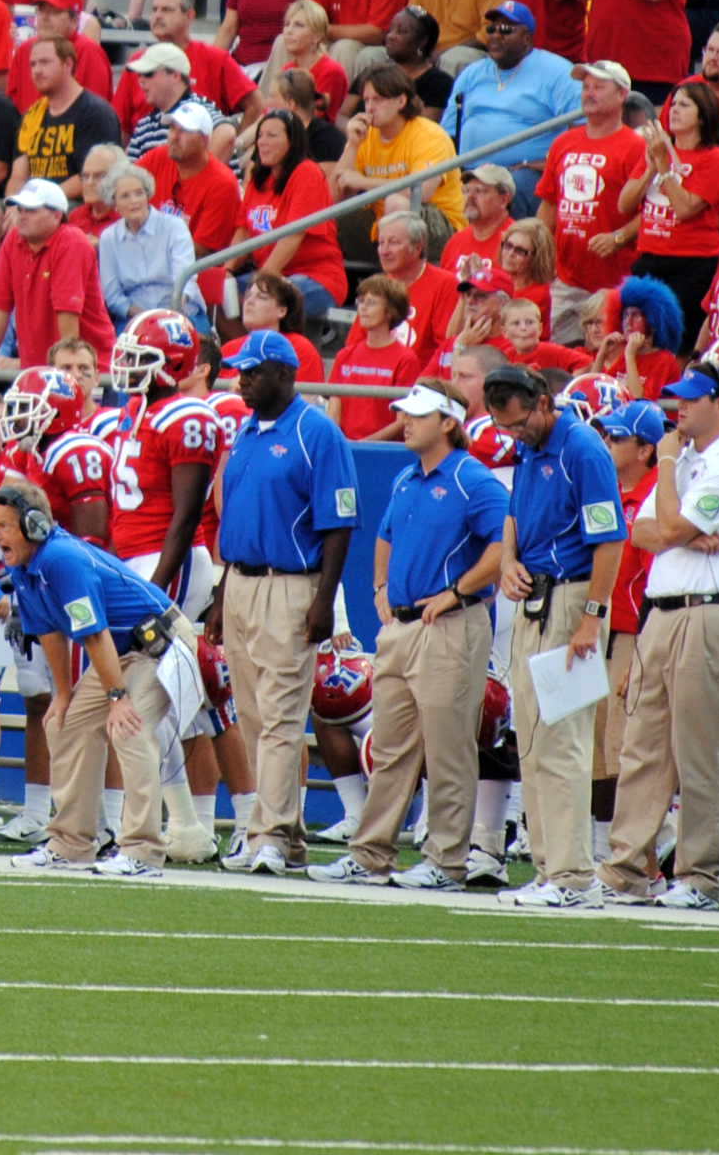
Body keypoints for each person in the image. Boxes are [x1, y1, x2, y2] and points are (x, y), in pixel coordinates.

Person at [323, 382, 504, 890]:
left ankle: (446, 861)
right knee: (390, 748)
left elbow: (504, 543)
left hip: (449, 626)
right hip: (402, 626)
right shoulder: (407, 477)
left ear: (449, 422)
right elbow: (384, 536)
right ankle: (371, 854)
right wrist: (380, 588)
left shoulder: (473, 479)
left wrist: (458, 591)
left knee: (448, 750)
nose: (406, 422)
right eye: (406, 413)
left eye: (419, 415)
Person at [594, 361, 719, 908]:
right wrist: (684, 534)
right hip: (663, 610)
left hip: (708, 610)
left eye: (691, 398)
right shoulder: (687, 461)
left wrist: (667, 474)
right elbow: (642, 532)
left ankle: (700, 874)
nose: (679, 407)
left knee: (699, 749)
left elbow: (665, 527)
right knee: (642, 745)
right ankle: (626, 868)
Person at [0, 477, 192, 879]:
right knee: (65, 724)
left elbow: (94, 634)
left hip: (160, 643)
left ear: (34, 525)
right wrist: (63, 695)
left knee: (129, 730)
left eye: (3, 527)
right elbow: (51, 633)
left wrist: (118, 697)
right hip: (121, 652)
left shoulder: (62, 559)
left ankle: (142, 850)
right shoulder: (28, 568)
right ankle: (71, 842)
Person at [482, 363, 625, 907]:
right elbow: (514, 515)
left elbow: (609, 538)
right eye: (505, 427)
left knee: (563, 740)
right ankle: (548, 867)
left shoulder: (582, 451)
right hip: (534, 597)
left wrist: (592, 616)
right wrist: (508, 561)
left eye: (519, 423)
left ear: (543, 402)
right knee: (532, 738)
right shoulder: (528, 450)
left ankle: (573, 876)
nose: (514, 435)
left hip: (570, 598)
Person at [214, 330, 355, 874]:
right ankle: (286, 834)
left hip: (290, 583)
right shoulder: (247, 431)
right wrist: (222, 594)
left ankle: (267, 834)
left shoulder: (317, 433)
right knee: (252, 715)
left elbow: (339, 524)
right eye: (240, 371)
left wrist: (324, 600)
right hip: (242, 582)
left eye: (252, 372)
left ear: (283, 373)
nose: (242, 381)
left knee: (279, 715)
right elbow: (235, 520)